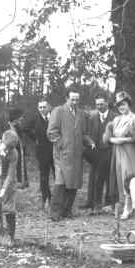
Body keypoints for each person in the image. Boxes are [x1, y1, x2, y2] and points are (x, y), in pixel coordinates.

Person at [47, 86, 95, 221]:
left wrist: (90, 141)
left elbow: (83, 133)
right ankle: (55, 213)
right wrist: (62, 144)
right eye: (72, 99)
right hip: (62, 154)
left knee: (73, 183)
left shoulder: (80, 113)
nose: (75, 102)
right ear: (66, 98)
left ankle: (66, 211)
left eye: (77, 99)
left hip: (76, 155)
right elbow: (51, 132)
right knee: (60, 183)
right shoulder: (58, 111)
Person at [103, 90, 135, 220]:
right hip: (118, 151)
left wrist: (124, 140)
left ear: (129, 104)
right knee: (120, 178)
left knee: (129, 177)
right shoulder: (116, 119)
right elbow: (110, 136)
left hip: (130, 151)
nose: (121, 107)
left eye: (124, 104)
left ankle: (129, 207)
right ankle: (126, 205)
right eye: (119, 105)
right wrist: (111, 139)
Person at [81, 95, 116, 215]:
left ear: (107, 103)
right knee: (95, 177)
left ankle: (107, 202)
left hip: (110, 151)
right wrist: (90, 142)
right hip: (95, 151)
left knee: (108, 177)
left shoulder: (115, 117)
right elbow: (85, 133)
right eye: (97, 104)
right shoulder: (92, 116)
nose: (99, 107)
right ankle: (93, 202)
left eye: (101, 104)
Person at [24, 100, 54, 209]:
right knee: (44, 176)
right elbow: (25, 128)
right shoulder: (35, 119)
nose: (42, 109)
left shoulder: (54, 117)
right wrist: (35, 138)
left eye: (44, 107)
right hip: (42, 151)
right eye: (40, 107)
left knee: (58, 174)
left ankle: (58, 198)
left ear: (49, 107)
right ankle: (46, 197)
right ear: (38, 108)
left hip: (55, 150)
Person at [8, 108, 29, 189]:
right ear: (15, 118)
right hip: (12, 150)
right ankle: (15, 183)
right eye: (20, 117)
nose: (22, 118)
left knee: (20, 164)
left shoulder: (18, 126)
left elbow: (21, 138)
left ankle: (21, 182)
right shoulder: (9, 127)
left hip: (19, 150)